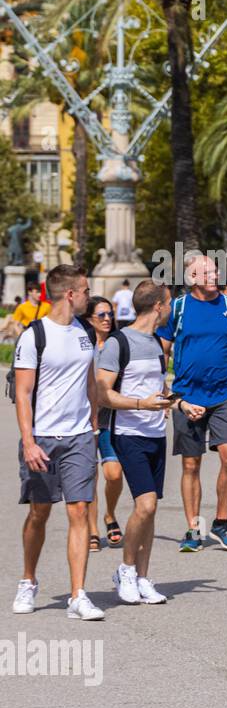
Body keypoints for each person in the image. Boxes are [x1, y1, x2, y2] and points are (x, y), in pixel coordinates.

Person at [11, 265, 103, 620]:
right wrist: (29, 442)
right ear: (70, 294)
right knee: (39, 513)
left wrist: (94, 422)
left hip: (79, 437)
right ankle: (28, 580)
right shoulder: (35, 336)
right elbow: (23, 393)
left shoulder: (84, 331)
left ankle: (78, 594)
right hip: (43, 439)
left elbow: (90, 381)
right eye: (84, 290)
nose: (88, 295)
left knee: (79, 511)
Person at [156, 254, 227, 553]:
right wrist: (164, 393)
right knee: (190, 463)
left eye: (215, 271)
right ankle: (193, 528)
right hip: (188, 396)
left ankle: (221, 523)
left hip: (224, 395)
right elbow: (162, 349)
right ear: (192, 278)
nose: (214, 276)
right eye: (208, 272)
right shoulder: (178, 308)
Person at [96, 281, 173, 605]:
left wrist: (178, 404)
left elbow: (158, 387)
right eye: (168, 303)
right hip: (128, 434)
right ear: (158, 306)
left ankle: (143, 577)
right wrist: (142, 405)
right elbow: (103, 393)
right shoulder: (118, 342)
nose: (170, 309)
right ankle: (125, 570)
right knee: (146, 504)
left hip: (157, 432)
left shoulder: (157, 342)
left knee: (151, 509)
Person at [85, 295, 125, 553]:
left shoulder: (118, 345)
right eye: (101, 315)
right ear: (89, 319)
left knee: (114, 474)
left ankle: (109, 514)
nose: (108, 319)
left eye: (110, 314)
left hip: (110, 420)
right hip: (83, 421)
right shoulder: (81, 346)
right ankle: (92, 530)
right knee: (89, 477)